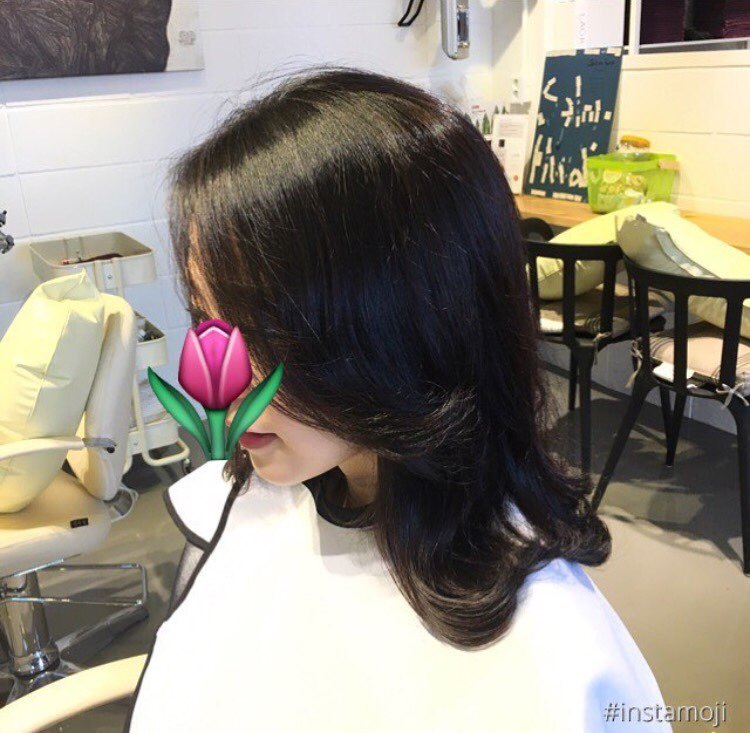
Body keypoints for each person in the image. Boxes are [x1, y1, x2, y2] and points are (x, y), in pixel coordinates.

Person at [125, 67, 671, 732]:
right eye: (205, 320)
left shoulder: (554, 653)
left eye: (262, 331)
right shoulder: (257, 502)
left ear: (407, 326)